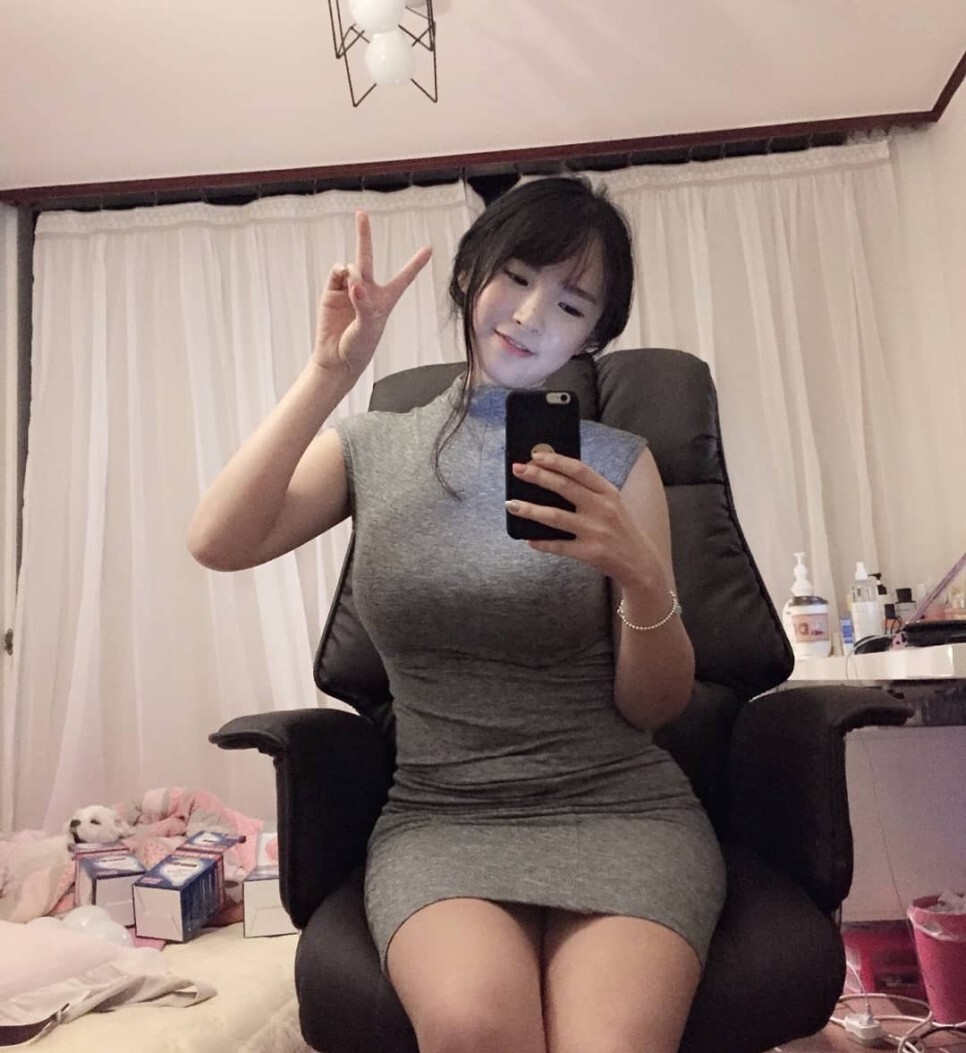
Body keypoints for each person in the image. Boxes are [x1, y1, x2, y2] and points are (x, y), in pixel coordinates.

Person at [188, 176, 726, 1053]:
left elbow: (654, 706)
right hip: (444, 816)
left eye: (571, 303)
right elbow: (217, 539)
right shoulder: (374, 447)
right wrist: (332, 372)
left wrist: (637, 574)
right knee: (475, 1029)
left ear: (595, 335)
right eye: (516, 275)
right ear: (472, 273)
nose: (532, 315)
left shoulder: (618, 464)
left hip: (621, 807)